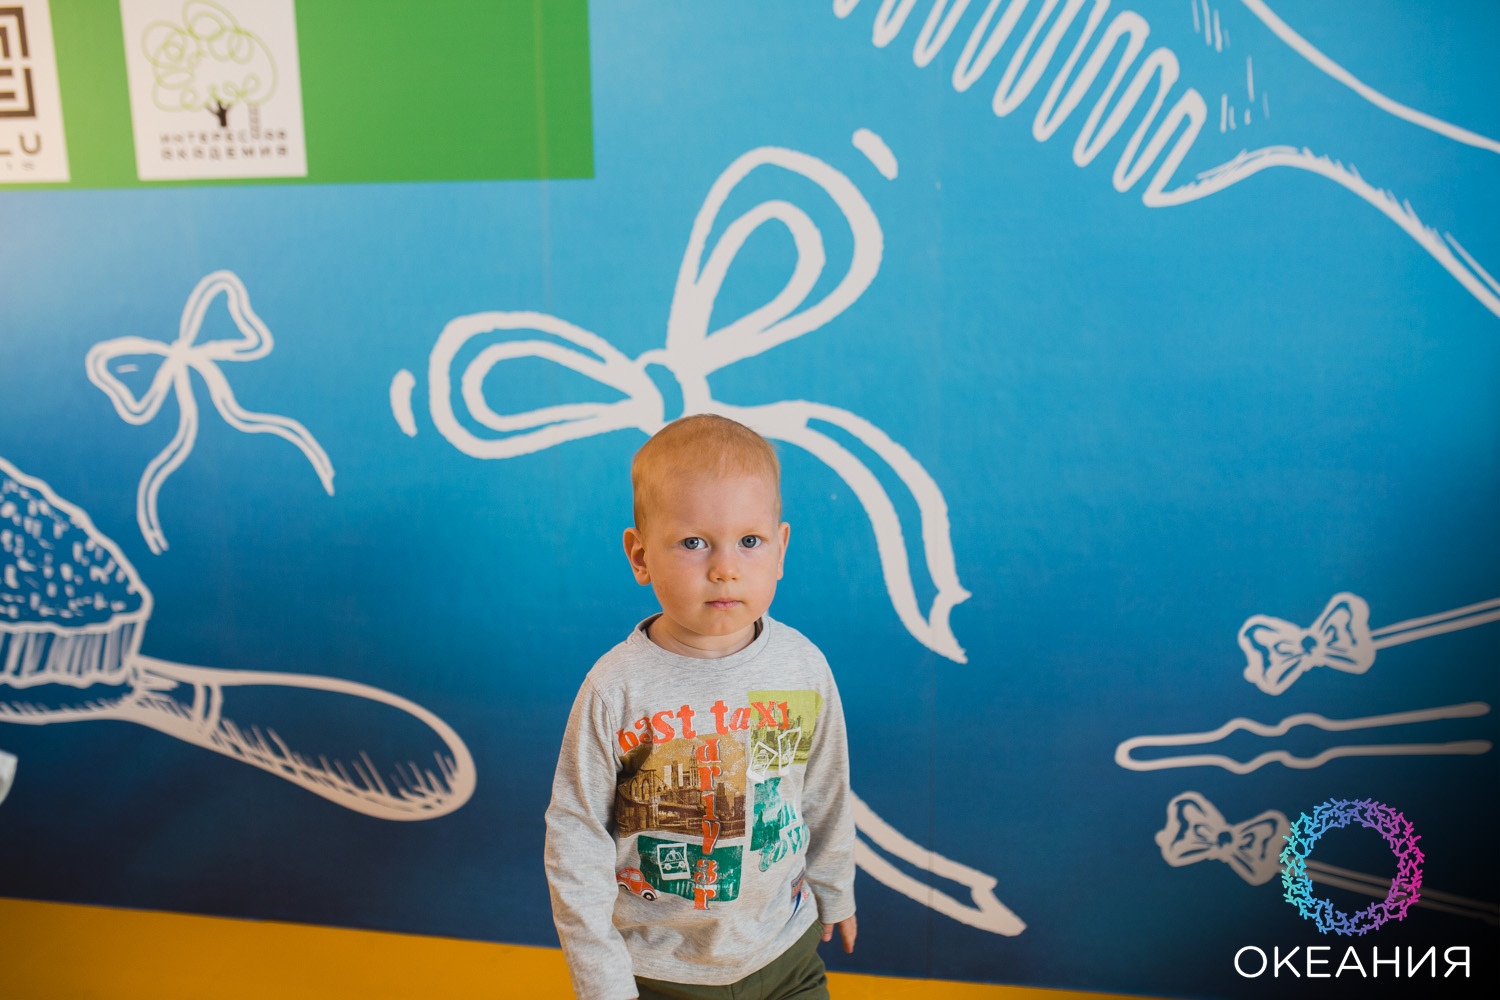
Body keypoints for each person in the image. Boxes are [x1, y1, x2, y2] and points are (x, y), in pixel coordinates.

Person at [544, 413, 857, 1000]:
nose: (725, 568)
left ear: (781, 548)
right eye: (694, 543)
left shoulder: (801, 667)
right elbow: (575, 839)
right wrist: (603, 984)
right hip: (661, 972)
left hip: (785, 952)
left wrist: (834, 886)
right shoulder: (616, 688)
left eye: (749, 541)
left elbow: (822, 788)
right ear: (640, 556)